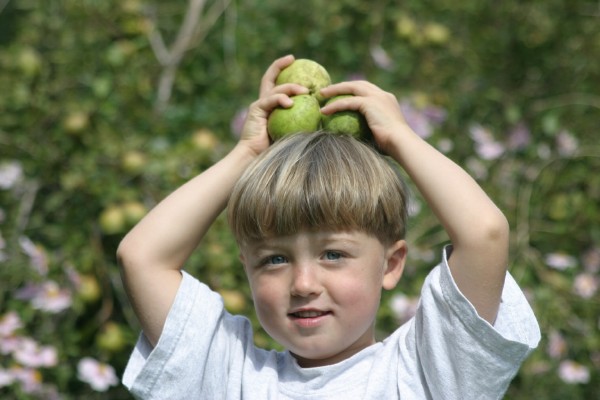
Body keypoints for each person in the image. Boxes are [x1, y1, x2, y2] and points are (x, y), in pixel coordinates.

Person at [118, 55, 540, 399]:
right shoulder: (228, 377)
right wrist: (246, 155)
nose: (303, 283)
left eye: (333, 254)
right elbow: (142, 258)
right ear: (246, 266)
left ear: (391, 265)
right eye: (275, 259)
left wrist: (399, 137)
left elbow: (484, 235)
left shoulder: (426, 374)